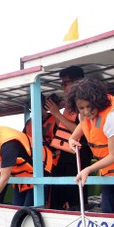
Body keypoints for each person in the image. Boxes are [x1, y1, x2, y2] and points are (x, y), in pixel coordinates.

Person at [68, 78, 114, 214]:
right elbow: (82, 125)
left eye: (89, 106)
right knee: (108, 211)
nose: (86, 112)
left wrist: (87, 170)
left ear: (97, 101)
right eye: (81, 108)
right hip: (108, 168)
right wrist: (72, 139)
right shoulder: (84, 114)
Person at [0, 119, 52, 213]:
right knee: (16, 211)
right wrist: (0, 162)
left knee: (28, 213)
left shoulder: (8, 144)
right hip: (22, 177)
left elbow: (4, 178)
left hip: (40, 172)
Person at [46, 66, 92, 210]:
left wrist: (57, 114)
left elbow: (82, 130)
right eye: (62, 84)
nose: (63, 87)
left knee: (75, 197)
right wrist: (57, 112)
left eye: (66, 83)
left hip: (79, 156)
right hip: (64, 156)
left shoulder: (86, 103)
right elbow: (63, 127)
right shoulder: (69, 105)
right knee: (58, 195)